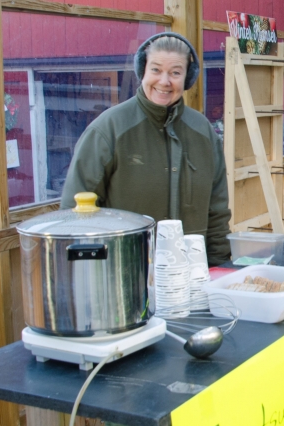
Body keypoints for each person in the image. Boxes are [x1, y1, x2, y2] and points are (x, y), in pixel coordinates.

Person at [61, 32, 231, 265]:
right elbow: (75, 213)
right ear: (143, 70)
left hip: (192, 275)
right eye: (156, 70)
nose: (164, 81)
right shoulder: (109, 129)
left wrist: (219, 269)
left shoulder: (203, 132)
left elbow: (217, 212)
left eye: (175, 72)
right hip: (123, 277)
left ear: (187, 78)